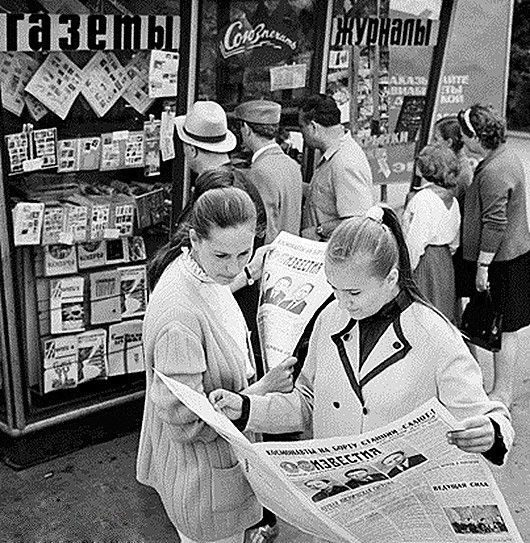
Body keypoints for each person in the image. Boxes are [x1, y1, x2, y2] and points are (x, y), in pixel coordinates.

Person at [210, 207, 514, 508]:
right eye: (334, 289)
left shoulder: (435, 334)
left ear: (391, 277)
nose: (342, 302)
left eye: (353, 292)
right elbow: (308, 403)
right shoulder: (329, 317)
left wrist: (491, 432)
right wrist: (247, 408)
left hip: (405, 506)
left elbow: (490, 415)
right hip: (339, 505)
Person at [136, 187, 296, 543]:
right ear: (194, 238)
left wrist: (249, 273)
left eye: (244, 253)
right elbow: (185, 420)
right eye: (222, 254)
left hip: (207, 477)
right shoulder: (180, 318)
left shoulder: (197, 270)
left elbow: (217, 286)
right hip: (204, 484)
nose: (233, 266)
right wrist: (262, 390)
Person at [174, 100, 268, 381]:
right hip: (241, 311)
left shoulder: (214, 195)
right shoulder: (244, 182)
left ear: (190, 149)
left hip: (221, 316)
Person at [458, 104, 530, 408]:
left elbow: (495, 223)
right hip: (514, 254)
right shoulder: (506, 156)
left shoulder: (493, 172)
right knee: (506, 327)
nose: (462, 141)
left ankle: (501, 392)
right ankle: (503, 389)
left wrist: (482, 266)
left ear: (475, 137)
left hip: (501, 260)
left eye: (464, 135)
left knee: (504, 328)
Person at [298, 94, 373, 241]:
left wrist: (320, 230)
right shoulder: (333, 155)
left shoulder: (344, 161)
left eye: (302, 127)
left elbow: (359, 222)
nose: (301, 134)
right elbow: (326, 196)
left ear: (313, 127)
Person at [402, 144, 461, 322]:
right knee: (441, 311)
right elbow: (455, 243)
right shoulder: (453, 200)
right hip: (444, 261)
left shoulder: (422, 199)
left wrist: (406, 270)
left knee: (422, 314)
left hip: (425, 261)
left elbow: (415, 241)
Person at [235, 99, 303, 243]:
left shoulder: (259, 171)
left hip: (269, 257)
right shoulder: (292, 165)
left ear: (246, 129)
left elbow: (265, 228)